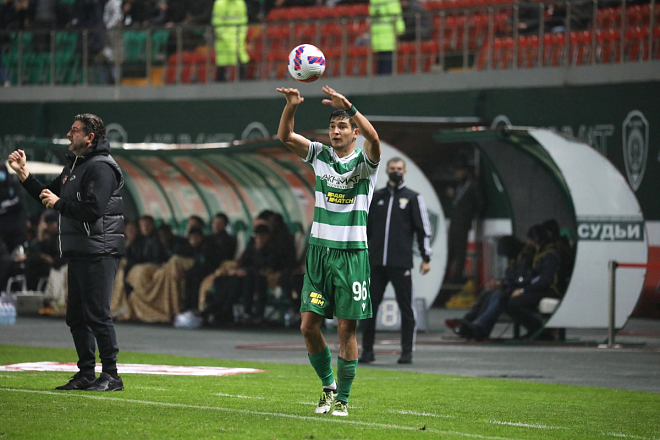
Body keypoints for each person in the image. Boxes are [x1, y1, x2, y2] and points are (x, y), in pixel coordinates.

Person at [276, 84, 380, 417]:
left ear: (353, 132)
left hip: (351, 255)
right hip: (320, 253)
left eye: (342, 126)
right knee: (308, 326)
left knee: (347, 330)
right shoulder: (320, 155)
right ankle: (328, 387)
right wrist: (292, 105)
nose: (335, 131)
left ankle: (343, 400)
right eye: (332, 126)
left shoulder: (365, 163)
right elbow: (285, 136)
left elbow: (375, 139)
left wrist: (351, 108)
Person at [8, 113, 125, 391]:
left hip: (99, 250)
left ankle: (111, 375)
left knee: (98, 315)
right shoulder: (76, 166)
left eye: (74, 130)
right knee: (77, 317)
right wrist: (24, 174)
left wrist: (59, 203)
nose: (69, 134)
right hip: (82, 250)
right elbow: (48, 196)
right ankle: (86, 373)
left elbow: (94, 209)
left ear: (90, 137)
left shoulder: (101, 167)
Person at [359, 157, 432, 365]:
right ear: (386, 170)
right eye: (392, 168)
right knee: (369, 308)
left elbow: (423, 229)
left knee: (406, 308)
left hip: (401, 262)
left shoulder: (413, 198)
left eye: (399, 168)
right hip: (376, 262)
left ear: (405, 172)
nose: (396, 171)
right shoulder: (376, 197)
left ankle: (407, 351)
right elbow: (365, 229)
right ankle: (367, 350)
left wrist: (426, 257)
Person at [445, 165, 484, 284]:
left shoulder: (473, 185)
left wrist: (471, 214)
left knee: (460, 249)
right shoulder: (461, 185)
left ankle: (457, 276)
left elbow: (480, 203)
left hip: (463, 222)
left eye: (459, 172)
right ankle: (445, 274)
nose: (457, 175)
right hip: (455, 221)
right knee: (450, 248)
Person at [212, 0, 249, 82]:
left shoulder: (240, 3)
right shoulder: (219, 3)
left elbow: (244, 22)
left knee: (242, 63)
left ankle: (242, 85)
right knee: (222, 69)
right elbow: (217, 24)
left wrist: (240, 37)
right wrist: (228, 39)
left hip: (239, 42)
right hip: (224, 44)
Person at [370, 0, 405, 75]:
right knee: (387, 69)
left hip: (377, 37)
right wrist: (400, 31)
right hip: (388, 38)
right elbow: (396, 16)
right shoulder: (391, 1)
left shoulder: (374, 1)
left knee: (380, 67)